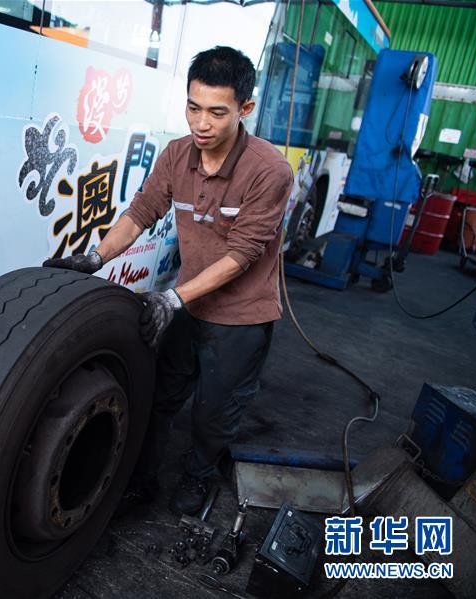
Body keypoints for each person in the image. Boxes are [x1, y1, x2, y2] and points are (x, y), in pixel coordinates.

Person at [44, 46, 293, 517]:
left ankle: (200, 476)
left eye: (217, 113)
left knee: (214, 412)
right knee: (160, 397)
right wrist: (96, 257)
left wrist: (172, 298)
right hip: (188, 303)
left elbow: (241, 256)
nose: (201, 123)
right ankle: (143, 479)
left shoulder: (269, 171)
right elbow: (141, 212)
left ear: (245, 108)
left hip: (240, 319)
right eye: (193, 108)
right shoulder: (179, 154)